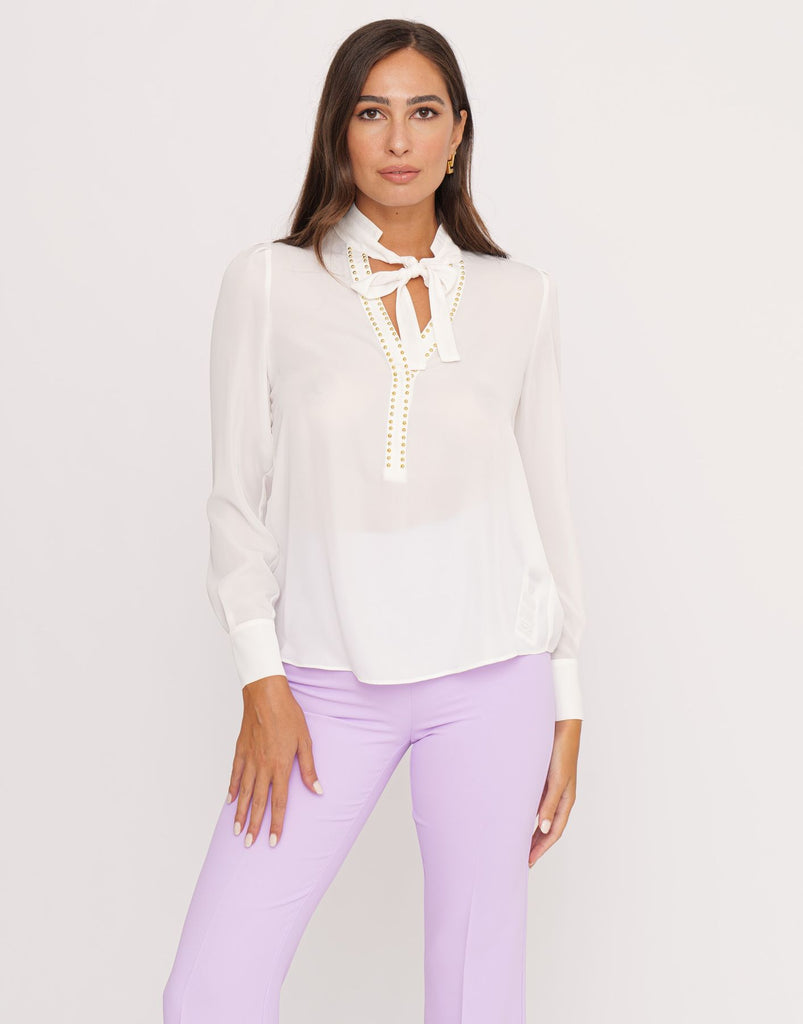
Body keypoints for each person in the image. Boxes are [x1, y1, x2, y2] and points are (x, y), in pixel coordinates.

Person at [163, 17, 586, 1024]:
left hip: (494, 683)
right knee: (210, 990)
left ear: (458, 133)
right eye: (371, 113)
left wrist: (568, 701)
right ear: (338, 131)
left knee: (476, 996)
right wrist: (261, 678)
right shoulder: (270, 281)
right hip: (320, 688)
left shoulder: (519, 298)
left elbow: (547, 509)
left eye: (423, 112)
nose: (399, 140)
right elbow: (234, 500)